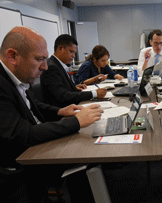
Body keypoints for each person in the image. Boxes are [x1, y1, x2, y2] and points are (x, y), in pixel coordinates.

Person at [0, 26, 102, 203]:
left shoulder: (18, 78)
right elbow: (23, 135)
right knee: (85, 155)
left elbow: (32, 104)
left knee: (88, 150)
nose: (45, 67)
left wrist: (60, 111)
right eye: (39, 59)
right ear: (12, 56)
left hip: (34, 148)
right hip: (20, 165)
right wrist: (75, 122)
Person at [40, 34, 107, 108]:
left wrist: (73, 88)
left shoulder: (58, 65)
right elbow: (63, 96)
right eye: (71, 52)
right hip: (62, 112)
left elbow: (58, 90)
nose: (74, 56)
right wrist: (94, 93)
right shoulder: (52, 67)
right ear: (60, 49)